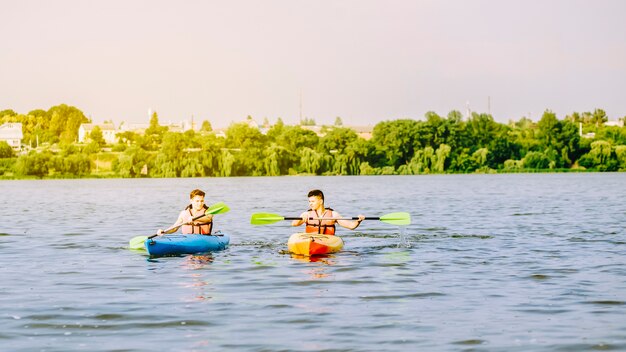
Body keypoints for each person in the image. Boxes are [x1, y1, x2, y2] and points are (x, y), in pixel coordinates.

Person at [291, 189, 365, 234]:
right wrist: (300, 219)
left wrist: (358, 221)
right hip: (310, 240)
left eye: (313, 201)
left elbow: (351, 226)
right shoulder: (307, 214)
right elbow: (294, 224)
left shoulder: (333, 215)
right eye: (309, 201)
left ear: (321, 201)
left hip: (327, 242)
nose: (310, 203)